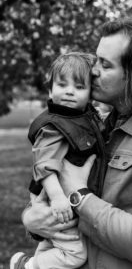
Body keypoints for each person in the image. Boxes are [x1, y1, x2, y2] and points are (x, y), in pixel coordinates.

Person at [11, 18, 132, 269]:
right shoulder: (92, 124)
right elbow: (52, 189)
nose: (93, 71)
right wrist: (32, 220)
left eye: (105, 64)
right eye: (95, 59)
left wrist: (80, 196)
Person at [10, 52, 106, 269]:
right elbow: (44, 166)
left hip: (62, 199)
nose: (70, 91)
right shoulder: (54, 127)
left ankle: (38, 259)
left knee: (51, 245)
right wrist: (57, 198)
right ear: (50, 89)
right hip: (55, 198)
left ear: (90, 93)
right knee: (74, 254)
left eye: (79, 87)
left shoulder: (80, 116)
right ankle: (26, 265)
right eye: (62, 85)